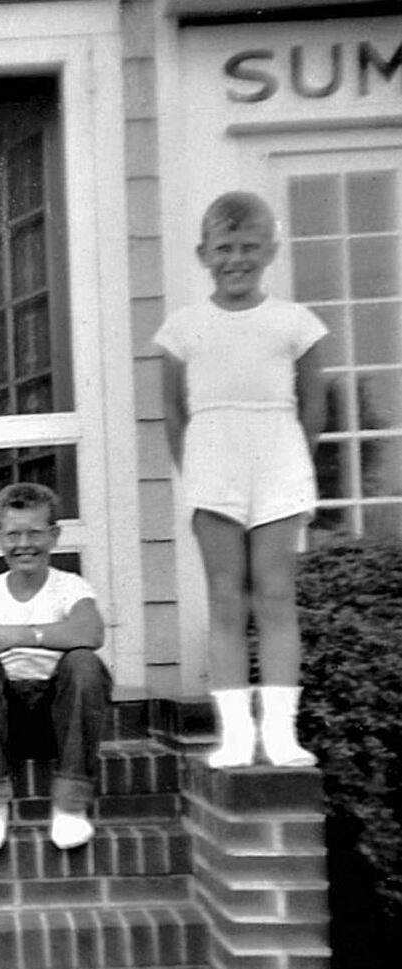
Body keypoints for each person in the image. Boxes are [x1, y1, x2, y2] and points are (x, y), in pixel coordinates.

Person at [156, 191, 326, 769]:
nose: (237, 259)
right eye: (225, 248)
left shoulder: (295, 323)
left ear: (270, 250)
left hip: (277, 454)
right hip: (212, 458)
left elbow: (314, 406)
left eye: (250, 247)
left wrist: (290, 466)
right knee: (226, 597)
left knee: (275, 595)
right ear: (204, 253)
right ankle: (234, 734)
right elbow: (174, 414)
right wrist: (198, 472)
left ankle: (280, 734)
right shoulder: (184, 328)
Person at [0, 482, 112, 855]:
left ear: (54, 535)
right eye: (13, 534)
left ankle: (70, 807)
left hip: (59, 718)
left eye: (35, 532)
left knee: (85, 661)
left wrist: (20, 635)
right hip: (2, 721)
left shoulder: (71, 586)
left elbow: (91, 631)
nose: (24, 543)